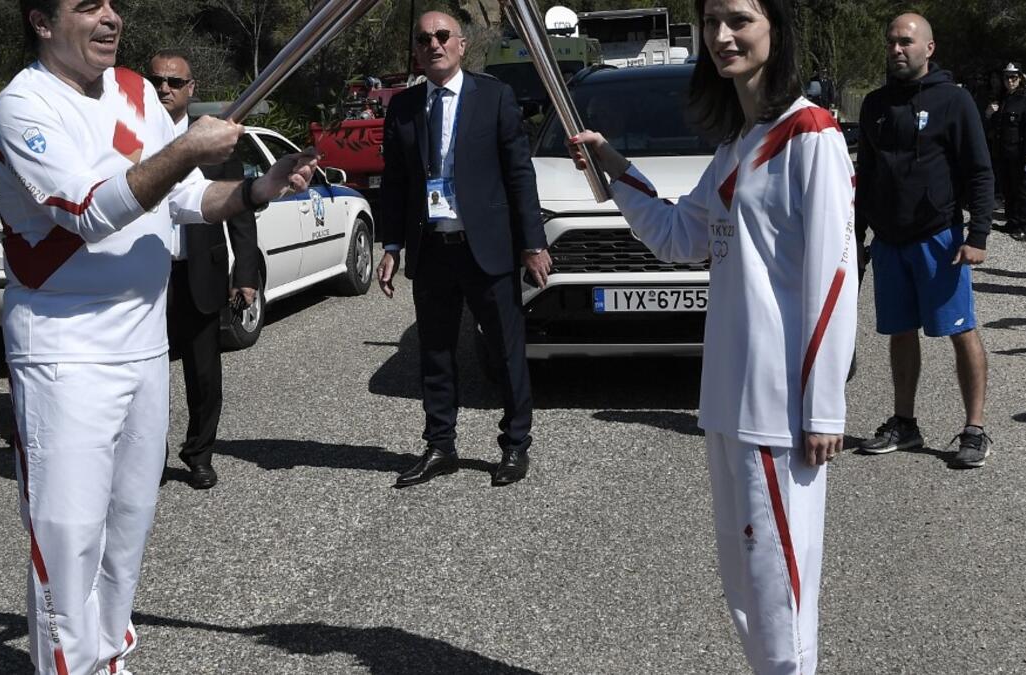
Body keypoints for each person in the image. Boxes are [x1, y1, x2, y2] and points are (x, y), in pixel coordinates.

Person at [0, 1, 315, 673]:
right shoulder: (22, 108)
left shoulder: (136, 91)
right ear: (42, 22)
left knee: (128, 527)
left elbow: (188, 198)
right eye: (87, 7)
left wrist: (257, 188)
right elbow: (86, 210)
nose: (111, 18)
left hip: (142, 344)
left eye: (114, 6)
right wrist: (185, 144)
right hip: (64, 351)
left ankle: (109, 657)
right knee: (68, 539)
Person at [568, 0, 857, 671]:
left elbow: (836, 277)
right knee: (747, 589)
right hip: (726, 401)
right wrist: (617, 170)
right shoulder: (739, 146)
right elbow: (679, 236)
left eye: (739, 19)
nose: (721, 35)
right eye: (710, 22)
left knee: (780, 593)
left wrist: (822, 407)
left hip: (778, 412)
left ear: (776, 30)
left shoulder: (809, 135)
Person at [377, 10, 552, 488]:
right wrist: (391, 243)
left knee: (505, 350)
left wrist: (532, 242)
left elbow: (520, 174)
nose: (433, 44)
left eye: (441, 36)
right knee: (434, 352)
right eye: (423, 38)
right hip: (432, 248)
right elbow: (394, 183)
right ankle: (441, 445)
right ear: (416, 50)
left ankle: (515, 445)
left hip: (489, 249)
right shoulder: (404, 107)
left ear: (460, 44)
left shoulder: (493, 96)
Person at [854, 13, 994, 468]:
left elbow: (979, 170)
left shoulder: (955, 101)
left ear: (929, 48)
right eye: (891, 42)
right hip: (890, 243)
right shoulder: (875, 104)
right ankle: (904, 423)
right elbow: (867, 176)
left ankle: (974, 430)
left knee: (960, 331)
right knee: (900, 331)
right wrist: (856, 236)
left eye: (906, 42)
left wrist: (978, 235)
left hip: (940, 239)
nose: (897, 49)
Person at [149, 49, 263, 489]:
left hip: (200, 272)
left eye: (174, 82)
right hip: (150, 278)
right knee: (149, 377)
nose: (164, 88)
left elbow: (240, 214)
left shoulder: (215, 142)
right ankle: (149, 459)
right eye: (157, 80)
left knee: (203, 374)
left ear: (190, 89)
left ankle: (199, 455)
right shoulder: (136, 141)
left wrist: (246, 277)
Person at [986, 62, 1026, 242]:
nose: (1010, 81)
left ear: (1020, 78)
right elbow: (997, 126)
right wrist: (989, 114)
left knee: (1022, 190)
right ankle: (1012, 221)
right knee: (1008, 188)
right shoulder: (1004, 97)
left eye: (1013, 77)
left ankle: (1025, 227)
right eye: (1007, 77)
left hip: (1019, 152)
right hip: (1003, 151)